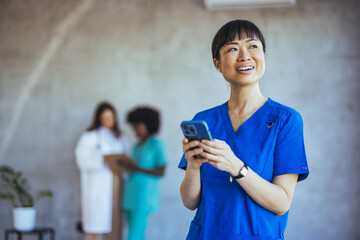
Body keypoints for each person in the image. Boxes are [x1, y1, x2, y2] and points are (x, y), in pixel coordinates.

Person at [179, 19, 309, 240]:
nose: (244, 56)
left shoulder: (286, 121)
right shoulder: (204, 120)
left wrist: (237, 167)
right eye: (232, 48)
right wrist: (192, 166)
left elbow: (281, 202)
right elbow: (190, 202)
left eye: (252, 46)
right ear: (218, 63)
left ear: (263, 57)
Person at [75, 101, 129, 240]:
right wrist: (102, 160)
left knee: (114, 226)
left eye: (111, 118)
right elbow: (81, 161)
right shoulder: (89, 137)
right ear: (99, 119)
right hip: (98, 188)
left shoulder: (119, 137)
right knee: (95, 229)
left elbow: (127, 158)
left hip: (117, 184)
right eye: (105, 119)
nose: (108, 122)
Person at [121, 106, 167, 240]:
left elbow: (161, 171)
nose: (134, 129)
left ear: (148, 124)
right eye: (133, 126)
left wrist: (137, 168)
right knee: (136, 235)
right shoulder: (136, 145)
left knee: (134, 236)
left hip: (143, 198)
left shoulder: (157, 145)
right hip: (129, 196)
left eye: (137, 125)